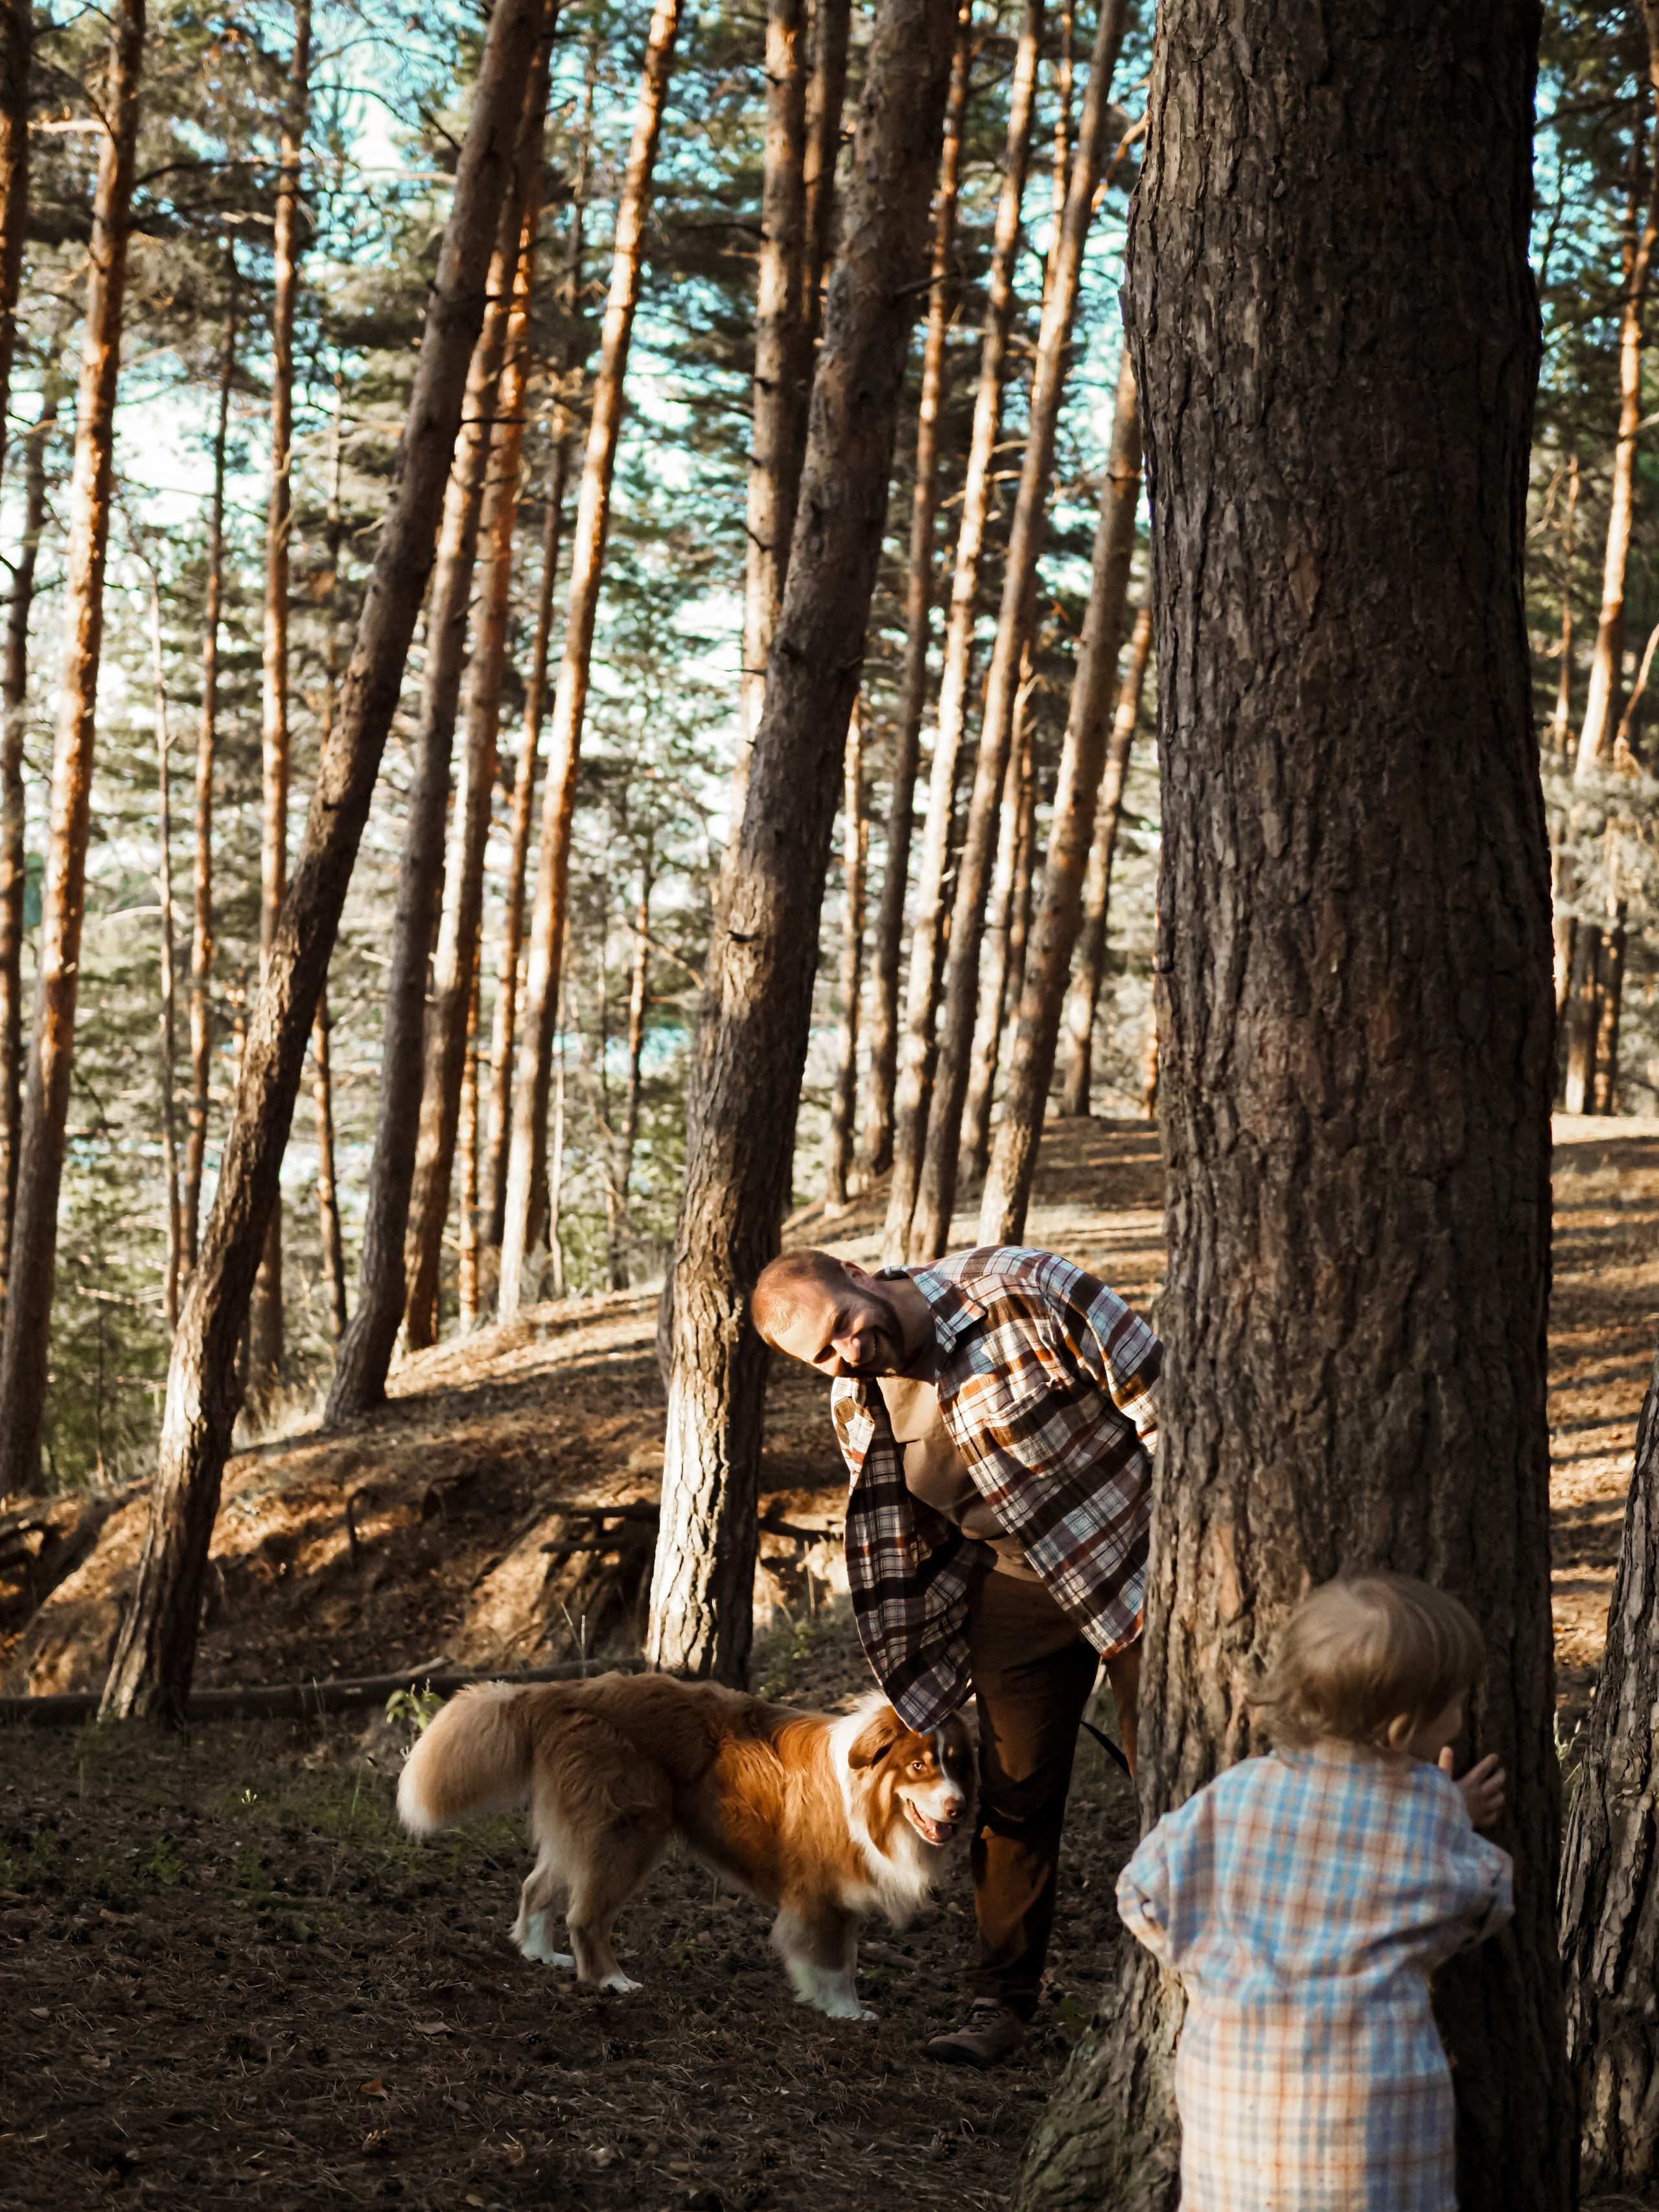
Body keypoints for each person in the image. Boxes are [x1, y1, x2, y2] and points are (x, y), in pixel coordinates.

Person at [751, 1243, 1159, 2067]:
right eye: (823, 1355)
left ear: (862, 1273)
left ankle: (1199, 1969)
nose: (848, 1354)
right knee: (1013, 1794)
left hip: (1137, 1557)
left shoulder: (1022, 1289)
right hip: (1015, 1588)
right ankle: (999, 2004)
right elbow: (910, 1527)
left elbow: (1166, 1401)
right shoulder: (856, 1404)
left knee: (1171, 1768)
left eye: (843, 1327)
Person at [1116, 1573, 1512, 2212]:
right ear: (1404, 1725)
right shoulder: (1426, 1812)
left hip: (1235, 2109)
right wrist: (1452, 1814)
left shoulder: (1235, 1792)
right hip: (1371, 2128)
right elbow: (1485, 1900)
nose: (1463, 1714)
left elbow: (1141, 1892)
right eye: (1457, 1701)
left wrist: (1202, 1960)